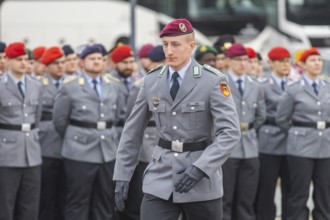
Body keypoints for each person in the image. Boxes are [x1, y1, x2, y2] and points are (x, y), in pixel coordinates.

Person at [113, 18, 240, 220]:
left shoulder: (213, 80)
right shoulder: (151, 80)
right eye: (165, 45)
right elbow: (132, 132)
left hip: (201, 179)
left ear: (191, 46)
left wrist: (201, 168)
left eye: (175, 44)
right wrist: (122, 175)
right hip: (160, 178)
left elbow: (230, 133)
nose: (169, 51)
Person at [53, 44, 121, 220]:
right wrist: (75, 138)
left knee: (105, 201)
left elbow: (118, 115)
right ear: (82, 62)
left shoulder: (113, 85)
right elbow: (59, 120)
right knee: (77, 201)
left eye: (100, 58)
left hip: (107, 150)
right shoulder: (70, 86)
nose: (97, 62)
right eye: (92, 58)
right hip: (79, 151)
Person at [276, 48, 330, 220]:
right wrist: (298, 133)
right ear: (303, 65)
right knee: (299, 193)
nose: (317, 63)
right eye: (313, 60)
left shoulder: (327, 86)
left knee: (324, 191)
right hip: (301, 146)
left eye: (319, 60)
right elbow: (282, 118)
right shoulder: (293, 88)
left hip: (325, 145)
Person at [222, 43, 266, 220]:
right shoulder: (220, 82)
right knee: (225, 197)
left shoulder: (255, 85)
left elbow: (261, 115)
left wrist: (248, 128)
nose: (242, 64)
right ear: (228, 61)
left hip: (250, 145)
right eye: (238, 60)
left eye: (245, 60)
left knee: (246, 198)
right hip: (227, 146)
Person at [0, 42, 43, 220]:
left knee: (30, 204)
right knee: (6, 205)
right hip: (7, 153)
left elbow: (37, 117)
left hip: (32, 153)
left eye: (25, 59)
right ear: (8, 61)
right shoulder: (1, 85)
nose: (24, 63)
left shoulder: (36, 85)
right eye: (19, 60)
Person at [256, 47, 292, 220]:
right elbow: (260, 115)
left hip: (292, 142)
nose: (285, 65)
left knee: (291, 190)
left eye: (287, 61)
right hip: (269, 141)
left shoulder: (295, 84)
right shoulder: (263, 86)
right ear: (271, 63)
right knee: (266, 189)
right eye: (281, 61)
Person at [38, 47, 66, 220]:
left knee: (64, 195)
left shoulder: (71, 84)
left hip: (67, 146)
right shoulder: (38, 85)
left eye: (62, 62)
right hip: (46, 145)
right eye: (56, 63)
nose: (60, 66)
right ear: (46, 65)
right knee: (47, 196)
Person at [110, 45, 136, 142]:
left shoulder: (136, 81)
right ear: (116, 63)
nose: (129, 66)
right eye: (125, 62)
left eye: (131, 62)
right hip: (117, 133)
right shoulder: (109, 83)